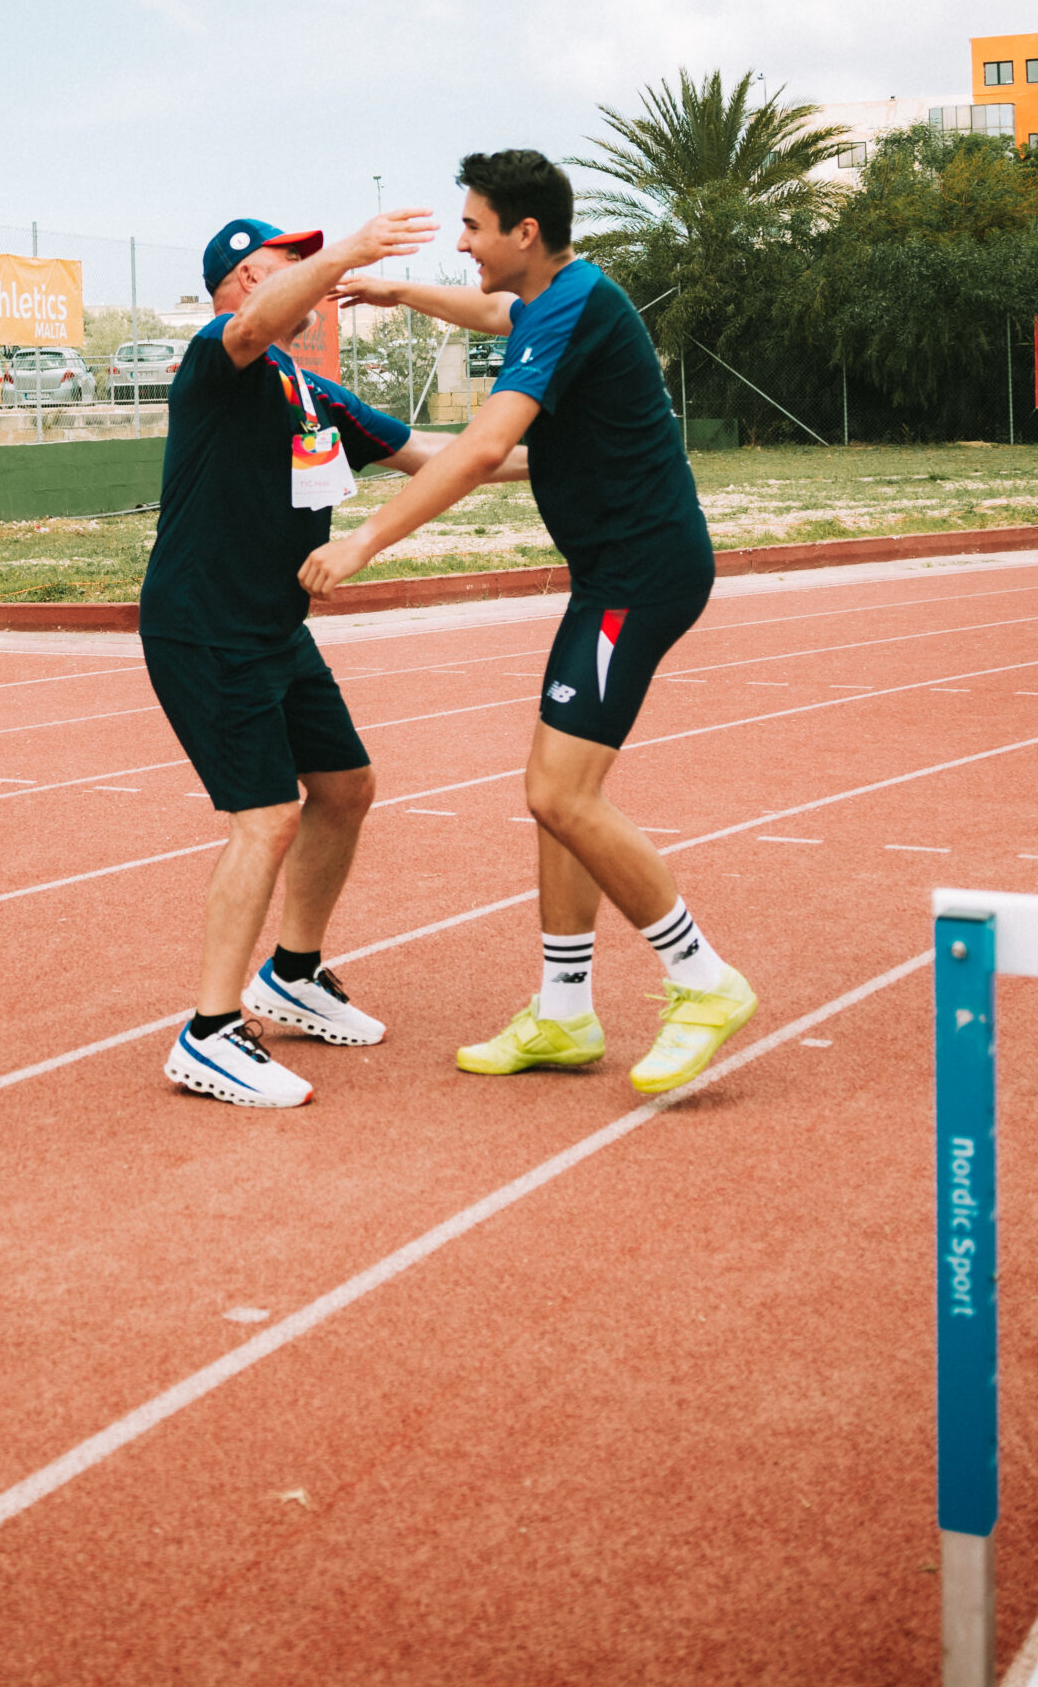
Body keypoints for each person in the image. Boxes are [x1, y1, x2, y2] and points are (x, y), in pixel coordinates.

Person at [299, 149, 756, 1098]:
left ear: (525, 232)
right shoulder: (561, 296)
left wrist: (364, 541)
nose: (464, 245)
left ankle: (703, 979)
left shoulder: (572, 307)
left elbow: (482, 448)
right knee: (560, 798)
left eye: (472, 228)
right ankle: (563, 1012)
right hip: (613, 575)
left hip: (639, 577)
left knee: (558, 795)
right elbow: (494, 314)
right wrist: (398, 291)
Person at [141, 202, 526, 1110]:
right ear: (246, 278)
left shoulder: (309, 391)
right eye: (292, 262)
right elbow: (252, 326)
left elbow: (441, 455)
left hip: (274, 628)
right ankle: (208, 1034)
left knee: (346, 788)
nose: (318, 274)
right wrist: (350, 250)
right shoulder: (218, 358)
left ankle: (292, 974)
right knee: (266, 817)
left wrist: (583, 453)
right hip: (205, 625)